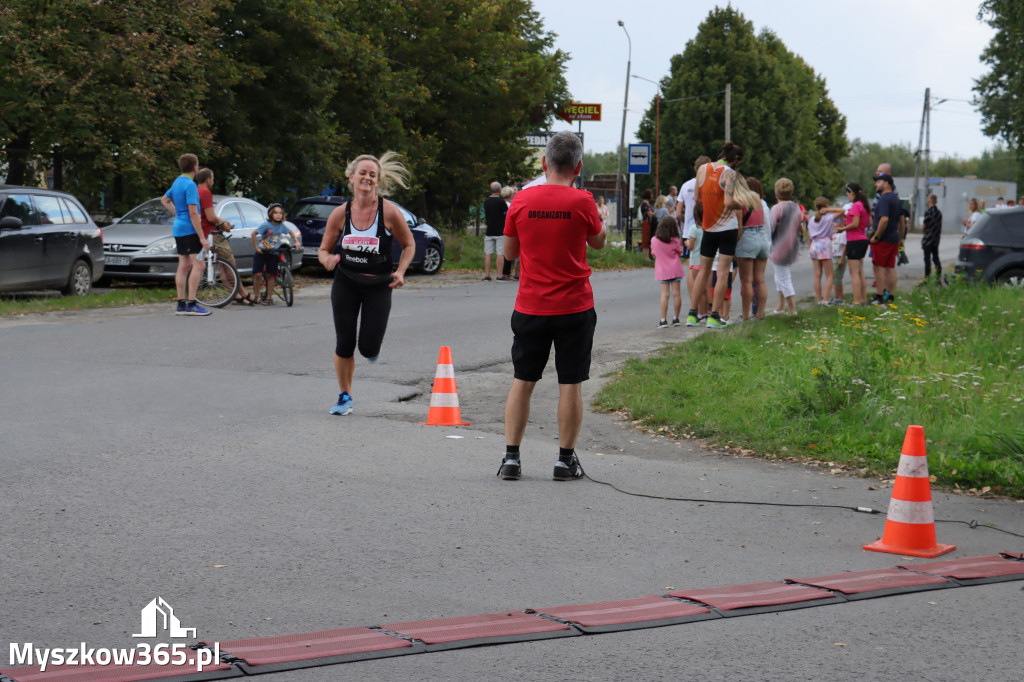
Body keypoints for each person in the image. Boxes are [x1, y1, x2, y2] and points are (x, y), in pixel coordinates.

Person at [497, 131, 607, 482]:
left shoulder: (521, 201)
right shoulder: (584, 201)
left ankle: (511, 458)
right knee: (569, 383)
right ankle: (564, 461)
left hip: (530, 306)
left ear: (545, 163)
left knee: (522, 380)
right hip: (574, 307)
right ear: (577, 167)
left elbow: (510, 254)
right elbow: (599, 243)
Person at [318, 152, 416, 416]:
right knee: (344, 343)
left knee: (368, 348)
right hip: (346, 283)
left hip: (378, 286)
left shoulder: (390, 212)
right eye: (362, 172)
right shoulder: (340, 213)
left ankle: (373, 346)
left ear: (378, 181)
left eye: (372, 174)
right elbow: (324, 249)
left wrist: (402, 271)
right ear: (352, 177)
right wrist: (327, 259)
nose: (367, 177)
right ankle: (344, 396)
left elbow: (409, 245)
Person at [692, 141, 759, 329]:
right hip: (726, 227)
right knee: (722, 273)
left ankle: (692, 314)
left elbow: (697, 199)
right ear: (735, 159)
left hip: (708, 226)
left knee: (703, 271)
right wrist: (743, 204)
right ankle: (714, 316)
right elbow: (729, 202)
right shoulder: (730, 173)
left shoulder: (703, 169)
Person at [160, 153, 211, 316]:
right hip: (190, 230)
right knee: (199, 265)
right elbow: (193, 213)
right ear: (195, 167)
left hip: (178, 229)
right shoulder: (189, 185)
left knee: (183, 266)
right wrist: (202, 238)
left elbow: (164, 200)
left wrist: (177, 214)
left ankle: (181, 304)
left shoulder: (177, 182)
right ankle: (192, 304)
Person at [195, 168, 255, 305]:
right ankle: (244, 294)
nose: (213, 181)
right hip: (211, 233)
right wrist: (224, 224)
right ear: (208, 179)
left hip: (200, 232)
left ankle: (234, 295)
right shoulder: (205, 192)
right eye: (213, 178)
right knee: (230, 264)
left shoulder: (195, 192)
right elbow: (210, 217)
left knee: (222, 265)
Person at [679, 155, 711, 326]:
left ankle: (694, 308)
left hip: (689, 231)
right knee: (706, 269)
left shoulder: (685, 185)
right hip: (708, 228)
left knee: (693, 268)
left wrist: (687, 221)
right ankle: (705, 310)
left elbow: (677, 213)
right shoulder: (709, 184)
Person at [735, 176, 771, 320]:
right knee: (760, 280)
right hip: (761, 236)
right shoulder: (757, 198)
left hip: (747, 237)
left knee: (747, 280)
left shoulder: (739, 201)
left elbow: (739, 227)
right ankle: (760, 314)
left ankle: (745, 315)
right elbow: (762, 221)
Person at [251, 203, 302, 305]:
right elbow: (254, 234)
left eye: (280, 213)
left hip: (273, 252)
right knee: (257, 274)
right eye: (275, 213)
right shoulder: (266, 225)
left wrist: (296, 241)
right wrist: (256, 248)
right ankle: (256, 296)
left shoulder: (282, 226)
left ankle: (269, 298)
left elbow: (291, 232)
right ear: (271, 214)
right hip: (262, 251)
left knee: (271, 275)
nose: (278, 215)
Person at [769, 178, 801, 315]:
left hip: (779, 246)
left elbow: (771, 227)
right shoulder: (796, 207)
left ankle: (792, 308)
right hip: (792, 246)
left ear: (776, 194)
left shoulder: (776, 208)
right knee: (779, 276)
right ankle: (780, 305)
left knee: (783, 278)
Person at [869, 172, 902, 304]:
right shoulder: (896, 199)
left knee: (879, 267)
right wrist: (901, 237)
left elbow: (884, 219)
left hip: (883, 239)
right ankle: (890, 295)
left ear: (886, 183)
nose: (876, 184)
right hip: (893, 237)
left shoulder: (883, 199)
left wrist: (876, 236)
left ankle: (880, 296)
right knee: (890, 267)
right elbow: (901, 220)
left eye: (878, 181)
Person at [651, 214, 684, 327]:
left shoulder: (654, 240)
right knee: (676, 294)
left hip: (662, 270)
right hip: (675, 269)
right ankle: (676, 318)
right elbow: (680, 251)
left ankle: (663, 319)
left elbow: (653, 253)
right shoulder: (675, 240)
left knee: (665, 295)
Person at [807, 197, 836, 305]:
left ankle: (819, 299)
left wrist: (810, 246)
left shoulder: (811, 219)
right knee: (829, 275)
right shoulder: (828, 218)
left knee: (817, 274)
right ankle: (826, 299)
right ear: (827, 206)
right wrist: (829, 210)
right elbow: (842, 212)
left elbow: (809, 236)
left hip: (814, 245)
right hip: (825, 245)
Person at [482, 182, 507, 281]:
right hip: (500, 230)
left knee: (488, 253)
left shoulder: (486, 201)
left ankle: (487, 275)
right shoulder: (501, 202)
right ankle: (500, 275)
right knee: (500, 253)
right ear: (499, 190)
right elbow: (506, 213)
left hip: (489, 230)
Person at [921, 193, 943, 281]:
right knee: (936, 258)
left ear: (929, 201)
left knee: (927, 260)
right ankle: (938, 278)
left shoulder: (928, 212)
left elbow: (924, 226)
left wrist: (924, 233)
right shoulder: (939, 213)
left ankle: (927, 278)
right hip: (936, 239)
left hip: (928, 238)